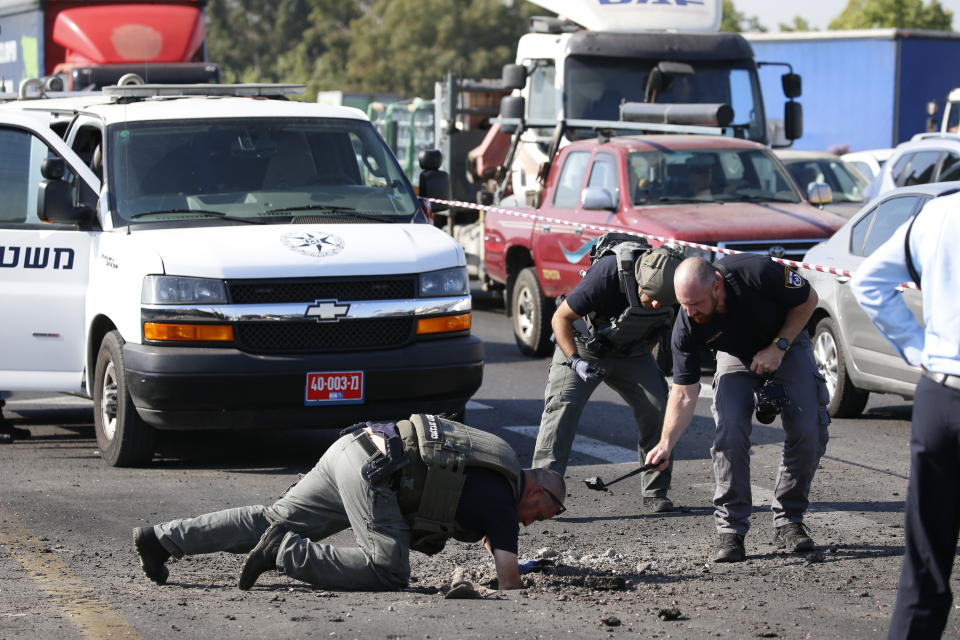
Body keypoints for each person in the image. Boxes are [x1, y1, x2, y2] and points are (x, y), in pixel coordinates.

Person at [133, 414, 566, 591]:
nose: (530, 525)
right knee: (390, 569)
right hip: (377, 476)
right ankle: (284, 551)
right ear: (535, 492)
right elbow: (509, 583)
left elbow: (482, 519)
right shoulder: (504, 504)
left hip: (358, 447)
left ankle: (161, 538)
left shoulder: (501, 458)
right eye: (540, 515)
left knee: (270, 517)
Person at [645, 255, 830, 562]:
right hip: (735, 356)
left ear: (717, 285)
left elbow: (808, 299)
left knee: (808, 429)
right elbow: (683, 392)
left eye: (696, 303)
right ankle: (731, 531)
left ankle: (789, 521)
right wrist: (666, 443)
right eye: (683, 304)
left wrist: (778, 347)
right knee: (729, 430)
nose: (690, 312)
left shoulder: (757, 272)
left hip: (787, 341)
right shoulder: (687, 324)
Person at [850, 195, 960, 640]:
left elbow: (869, 282)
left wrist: (919, 350)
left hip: (940, 393)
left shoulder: (937, 213)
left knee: (926, 561)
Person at [531, 239, 683, 513]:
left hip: (634, 351)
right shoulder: (608, 274)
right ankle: (541, 495)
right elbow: (560, 318)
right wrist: (575, 361)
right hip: (583, 347)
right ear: (638, 282)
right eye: (652, 296)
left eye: (665, 299)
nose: (658, 303)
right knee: (562, 408)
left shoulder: (680, 282)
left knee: (659, 408)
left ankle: (655, 491)